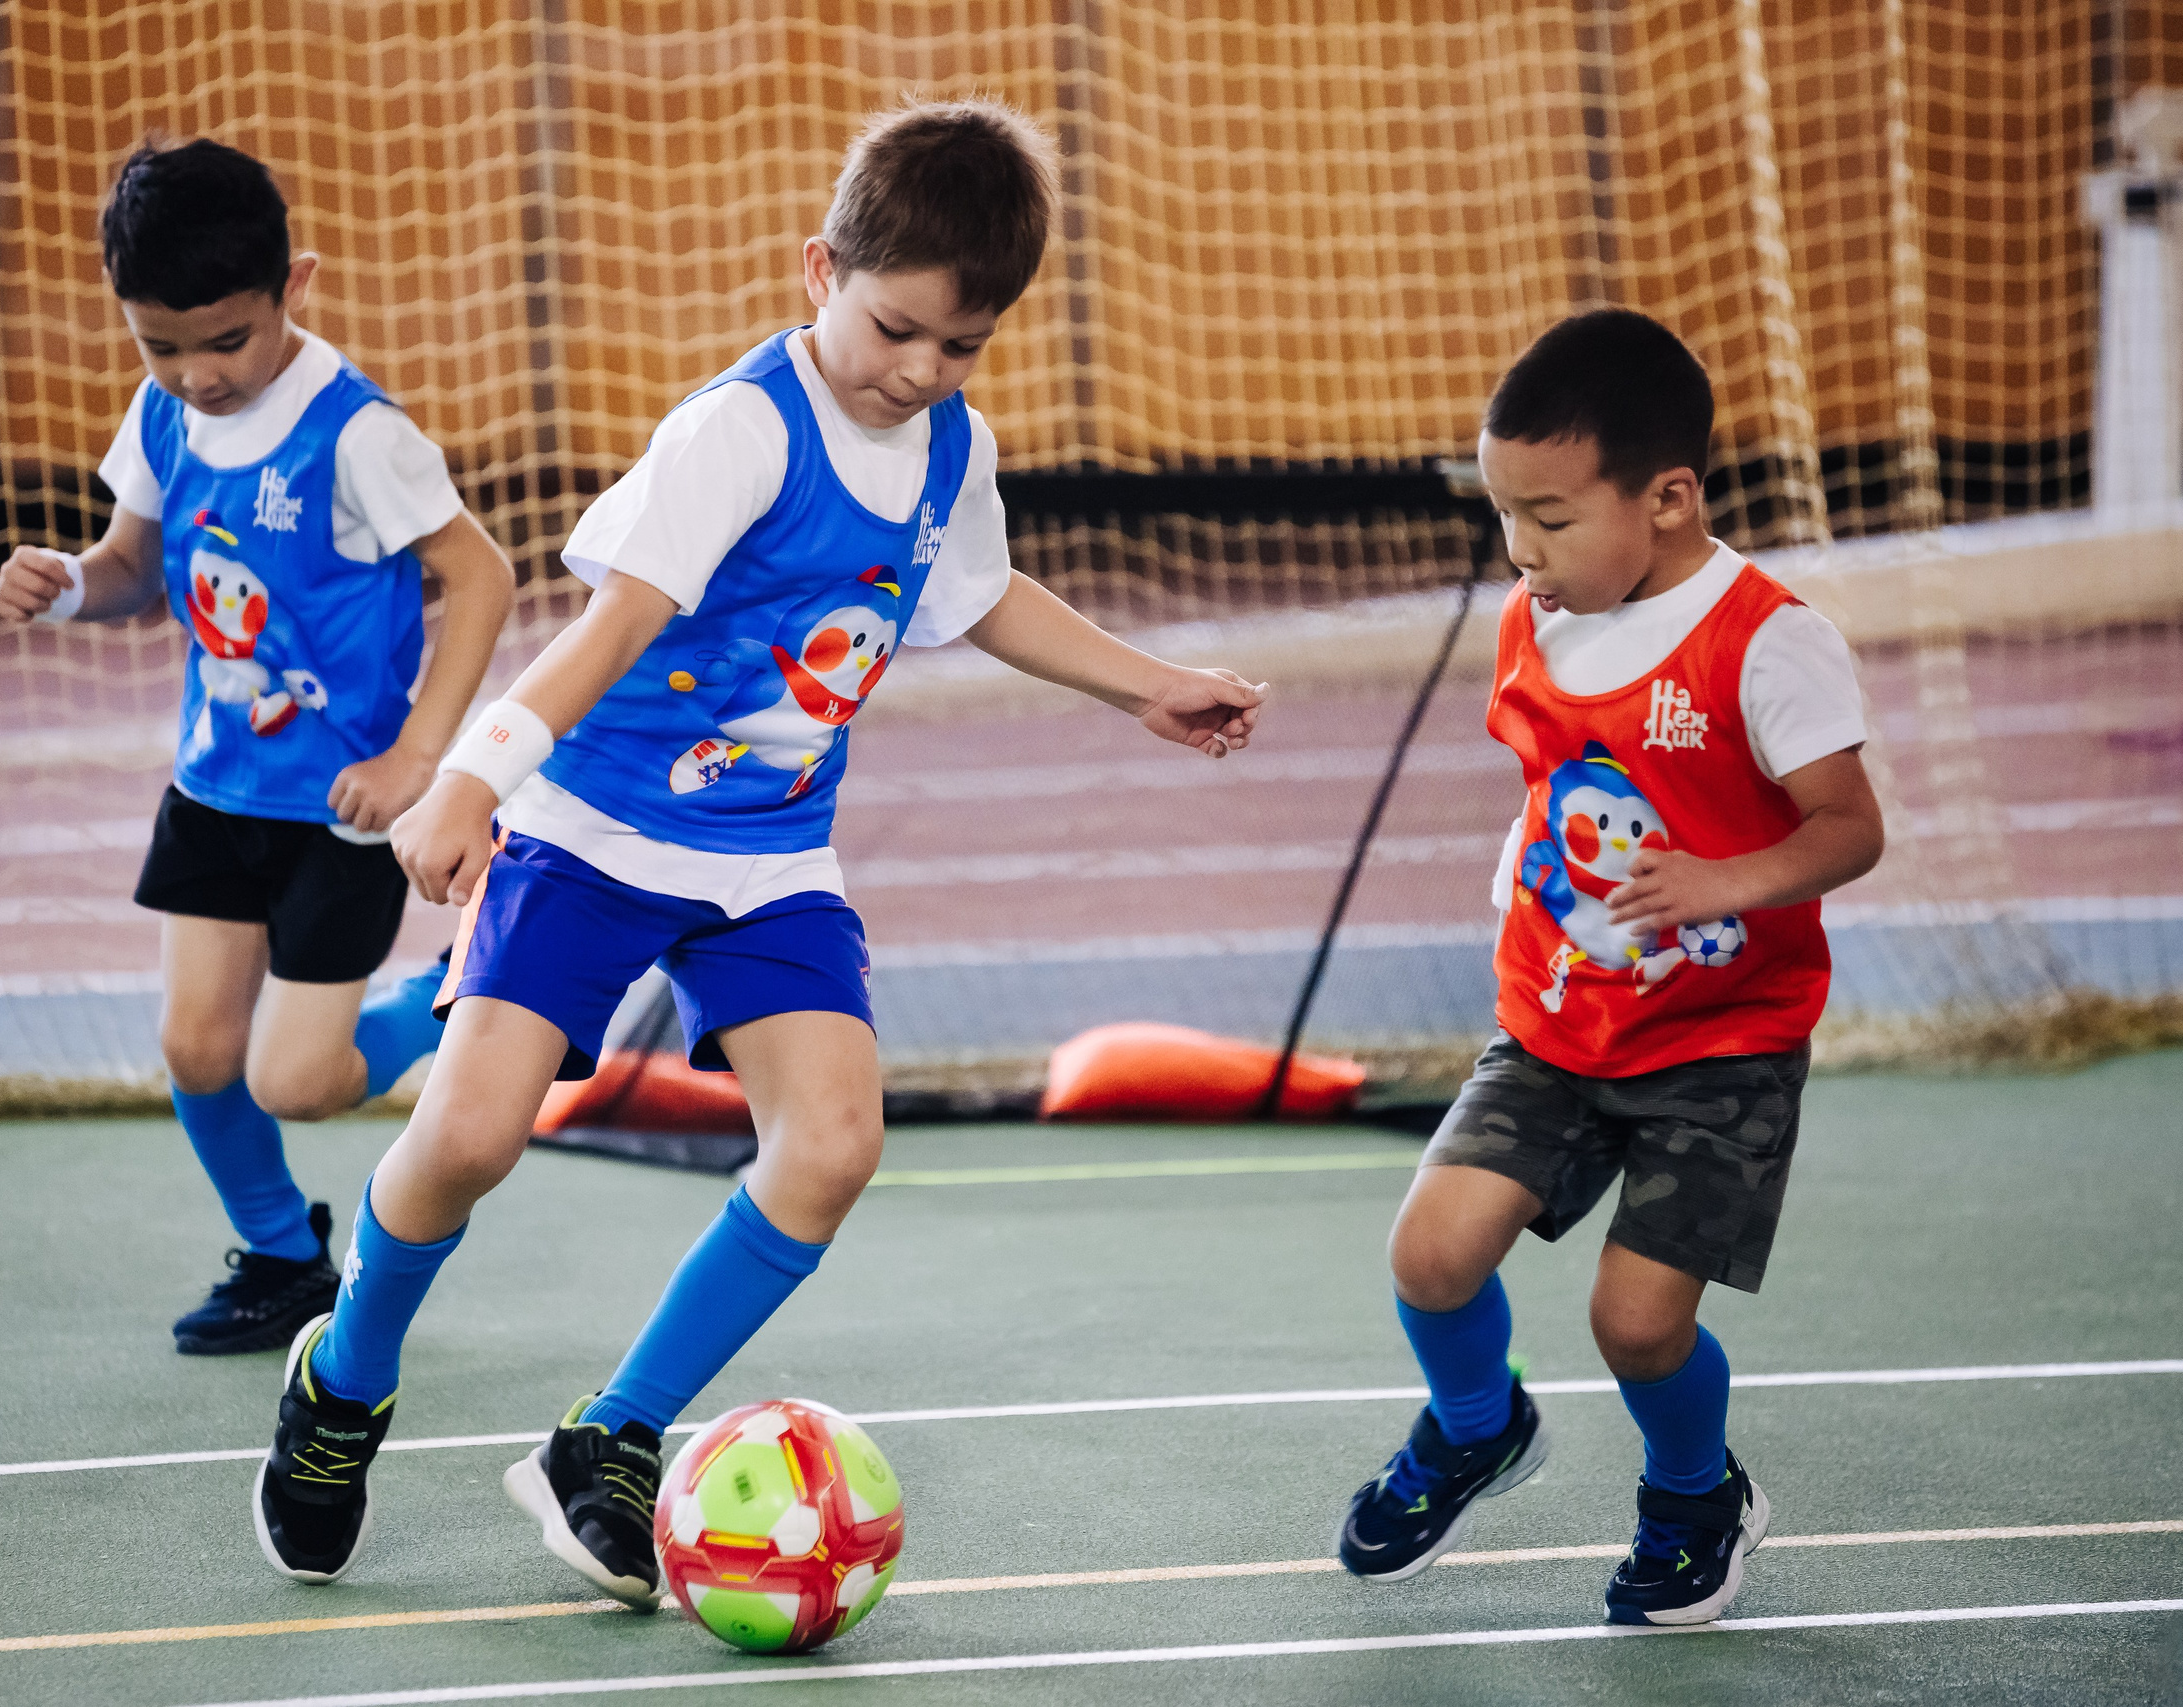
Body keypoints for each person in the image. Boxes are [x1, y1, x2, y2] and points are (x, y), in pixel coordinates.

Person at [246, 98, 1267, 1591]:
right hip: (591, 830)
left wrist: (1149, 685)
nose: (921, 369)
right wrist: (471, 779)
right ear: (819, 271)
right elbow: (608, 633)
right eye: (896, 327)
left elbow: (980, 594)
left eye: (963, 345)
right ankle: (343, 1376)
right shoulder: (738, 431)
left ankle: (613, 1434)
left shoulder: (946, 446)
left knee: (835, 1142)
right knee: (464, 1138)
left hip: (772, 856)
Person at [1335, 309, 1883, 1625]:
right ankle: (1478, 1423)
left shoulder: (1765, 639)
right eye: (1503, 515)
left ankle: (1697, 1492)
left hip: (1720, 1042)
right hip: (1557, 1020)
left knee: (1635, 1323)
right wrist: (1525, 864)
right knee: (1431, 1253)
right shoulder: (1543, 616)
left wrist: (1721, 880)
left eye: (1551, 516)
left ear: (1671, 497)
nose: (1520, 551)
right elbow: (1556, 777)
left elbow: (1851, 826)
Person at [0, 139, 513, 1357]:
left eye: (226, 342)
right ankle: (285, 1255)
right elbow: (131, 568)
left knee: (295, 1080)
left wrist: (420, 761)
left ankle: (463, 1018)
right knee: (194, 1048)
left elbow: (478, 578)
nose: (197, 374)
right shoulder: (161, 417)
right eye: (160, 347)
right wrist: (68, 585)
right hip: (215, 790)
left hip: (342, 811)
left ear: (297, 286)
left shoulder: (357, 435)